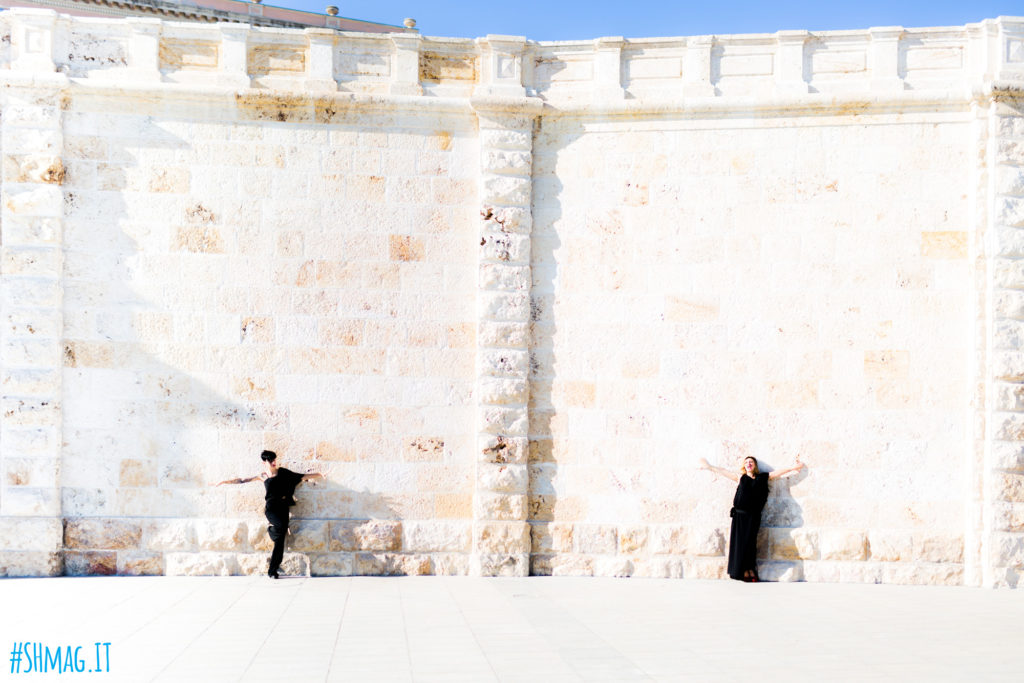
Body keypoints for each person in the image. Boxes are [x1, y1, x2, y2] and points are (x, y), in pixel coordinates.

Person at [215, 450, 324, 578]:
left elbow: (301, 476)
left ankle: (273, 570)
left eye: (274, 460)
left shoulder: (283, 472)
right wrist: (224, 482)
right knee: (281, 529)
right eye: (270, 460)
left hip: (283, 507)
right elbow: (242, 480)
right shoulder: (263, 476)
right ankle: (271, 529)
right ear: (264, 462)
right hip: (271, 508)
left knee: (280, 539)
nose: (273, 462)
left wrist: (319, 474)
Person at [698, 455, 805, 582]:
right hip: (739, 517)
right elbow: (724, 472)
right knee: (740, 544)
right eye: (746, 462)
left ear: (754, 465)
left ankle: (750, 569)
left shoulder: (762, 477)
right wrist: (710, 467)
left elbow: (777, 473)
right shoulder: (741, 478)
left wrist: (793, 468)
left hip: (753, 517)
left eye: (751, 462)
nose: (749, 463)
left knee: (750, 544)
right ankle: (743, 571)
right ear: (744, 466)